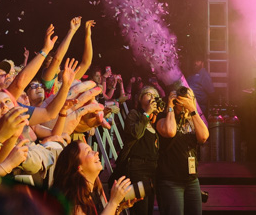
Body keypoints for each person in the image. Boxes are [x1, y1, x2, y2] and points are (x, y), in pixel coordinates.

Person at [155, 88, 209, 215]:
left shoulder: (192, 119)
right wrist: (170, 106)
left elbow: (204, 137)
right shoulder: (163, 117)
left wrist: (192, 109)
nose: (185, 101)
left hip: (192, 180)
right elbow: (170, 132)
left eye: (189, 98)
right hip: (171, 181)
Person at [113, 86, 163, 215]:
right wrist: (146, 113)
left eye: (155, 96)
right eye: (149, 94)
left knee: (149, 209)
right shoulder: (134, 114)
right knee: (141, 209)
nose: (152, 98)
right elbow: (136, 134)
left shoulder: (154, 120)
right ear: (140, 98)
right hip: (138, 167)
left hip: (152, 169)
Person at [52, 140, 137, 215]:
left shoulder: (91, 193)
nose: (96, 152)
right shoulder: (75, 203)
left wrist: (117, 208)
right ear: (78, 167)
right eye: (88, 152)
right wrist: (113, 203)